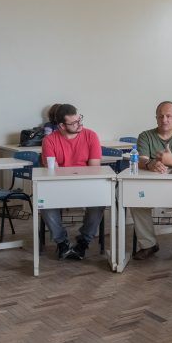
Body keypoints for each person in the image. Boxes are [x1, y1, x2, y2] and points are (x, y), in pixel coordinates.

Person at [132, 101, 172, 263]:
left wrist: (171, 160)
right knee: (136, 203)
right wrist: (151, 164)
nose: (164, 119)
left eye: (169, 116)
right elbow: (141, 160)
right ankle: (148, 244)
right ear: (156, 118)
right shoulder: (145, 136)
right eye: (161, 116)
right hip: (150, 185)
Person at [40, 103, 104, 261]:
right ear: (61, 125)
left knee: (99, 201)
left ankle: (83, 241)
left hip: (86, 184)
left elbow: (94, 169)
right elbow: (52, 171)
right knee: (44, 201)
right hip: (60, 185)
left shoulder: (91, 136)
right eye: (74, 123)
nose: (79, 124)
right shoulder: (49, 140)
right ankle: (62, 243)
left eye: (79, 119)